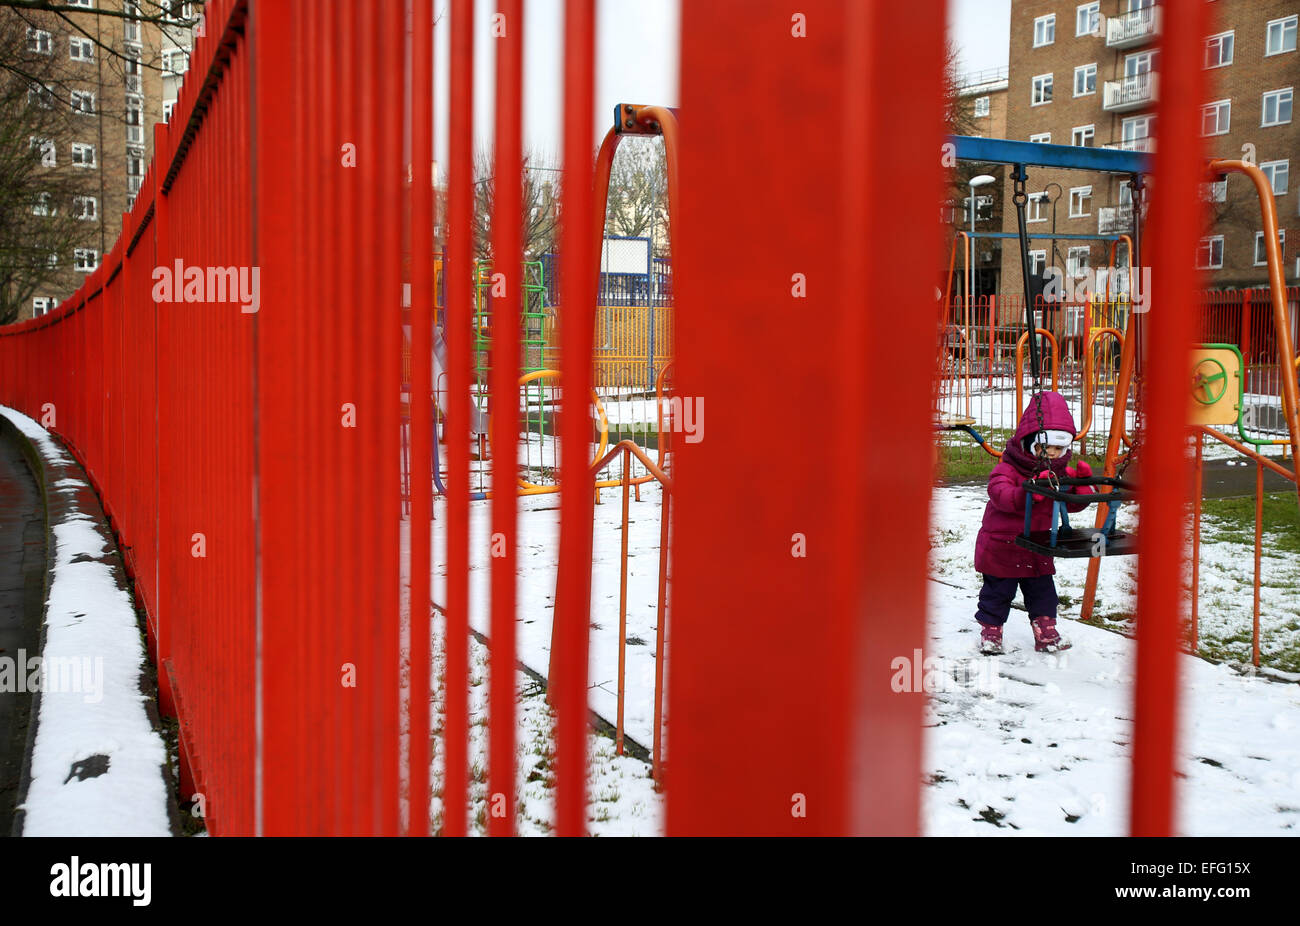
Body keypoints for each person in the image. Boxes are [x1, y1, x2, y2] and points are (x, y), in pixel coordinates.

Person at [973, 392, 1094, 655]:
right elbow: (999, 494)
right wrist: (1026, 492)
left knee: (1043, 594)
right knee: (997, 593)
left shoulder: (1058, 474)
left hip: (1036, 546)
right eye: (1044, 449)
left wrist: (1081, 488)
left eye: (1058, 450)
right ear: (1029, 445)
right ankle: (991, 632)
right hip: (1002, 545)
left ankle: (1046, 633)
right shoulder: (1008, 469)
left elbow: (1069, 504)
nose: (1051, 456)